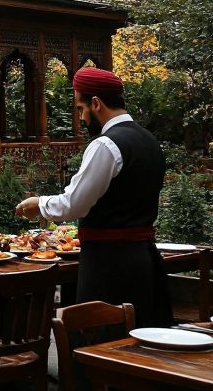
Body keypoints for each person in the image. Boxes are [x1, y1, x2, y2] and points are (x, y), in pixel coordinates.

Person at [15, 67, 174, 327]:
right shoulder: (150, 141)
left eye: (80, 108)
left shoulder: (106, 145)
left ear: (96, 103)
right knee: (140, 344)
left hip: (109, 265)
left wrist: (40, 204)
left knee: (100, 345)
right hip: (143, 261)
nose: (81, 117)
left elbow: (75, 203)